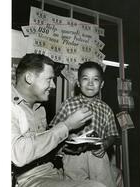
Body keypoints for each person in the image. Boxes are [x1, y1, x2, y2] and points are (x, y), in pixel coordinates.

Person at [11, 53, 106, 187]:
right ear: (29, 78)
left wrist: (66, 147)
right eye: (49, 79)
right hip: (28, 179)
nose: (54, 85)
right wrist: (66, 125)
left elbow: (40, 147)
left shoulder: (39, 109)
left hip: (51, 172)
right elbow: (19, 155)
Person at [50, 61, 119, 187]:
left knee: (102, 184)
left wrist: (105, 144)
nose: (90, 83)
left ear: (102, 84)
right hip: (73, 156)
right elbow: (54, 129)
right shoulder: (68, 104)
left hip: (98, 154)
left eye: (95, 79)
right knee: (75, 184)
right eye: (85, 79)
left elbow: (113, 134)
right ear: (78, 83)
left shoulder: (106, 108)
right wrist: (67, 137)